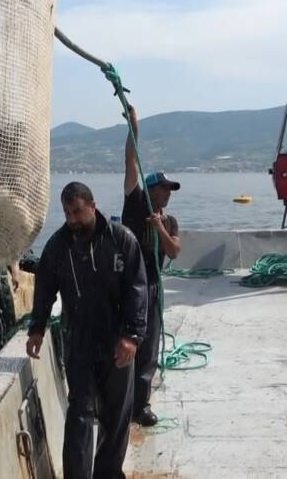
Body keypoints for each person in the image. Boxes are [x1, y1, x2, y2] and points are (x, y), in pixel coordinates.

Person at [27, 182, 148, 479]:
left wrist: (132, 336)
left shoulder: (122, 240)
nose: (72, 220)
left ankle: (107, 474)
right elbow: (44, 290)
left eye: (78, 212)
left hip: (118, 340)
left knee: (117, 415)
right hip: (79, 341)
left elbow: (138, 289)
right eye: (67, 213)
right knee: (80, 414)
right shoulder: (58, 246)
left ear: (93, 206)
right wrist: (37, 328)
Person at [121, 105, 181, 428]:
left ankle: (140, 404)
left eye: (171, 190)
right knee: (126, 342)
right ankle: (119, 401)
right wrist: (134, 129)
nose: (169, 193)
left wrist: (159, 228)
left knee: (149, 349)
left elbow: (174, 252)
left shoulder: (169, 221)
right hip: (130, 286)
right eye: (165, 188)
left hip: (153, 288)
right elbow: (130, 162)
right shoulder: (135, 204)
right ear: (152, 188)